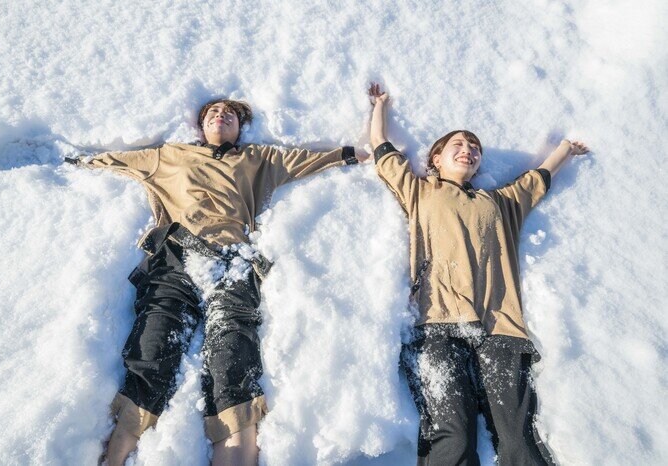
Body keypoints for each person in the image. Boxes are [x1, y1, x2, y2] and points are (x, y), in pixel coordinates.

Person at [67, 98, 363, 465]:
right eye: (212, 113)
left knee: (233, 355)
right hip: (178, 258)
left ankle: (235, 454)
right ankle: (115, 457)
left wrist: (350, 154)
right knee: (154, 348)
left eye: (230, 114)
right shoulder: (170, 155)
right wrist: (75, 160)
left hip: (233, 263)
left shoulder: (257, 158)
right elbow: (120, 162)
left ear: (240, 127)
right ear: (200, 125)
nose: (221, 117)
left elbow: (302, 160)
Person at [367, 83, 588, 466]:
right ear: (435, 159)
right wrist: (381, 106)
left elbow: (538, 180)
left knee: (517, 434)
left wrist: (566, 149)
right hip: (437, 324)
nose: (468, 150)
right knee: (452, 433)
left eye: (475, 147)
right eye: (459, 144)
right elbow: (381, 150)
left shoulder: (500, 203)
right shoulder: (419, 192)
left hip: (499, 328)